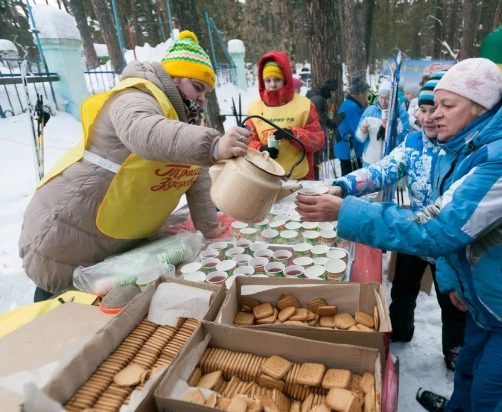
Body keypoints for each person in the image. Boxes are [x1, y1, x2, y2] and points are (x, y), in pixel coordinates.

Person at [295, 58, 502, 412]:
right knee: (468, 372)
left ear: (481, 108)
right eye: (429, 107)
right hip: (499, 302)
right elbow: (449, 223)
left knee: (496, 398)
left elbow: (439, 229)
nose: (436, 115)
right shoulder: (466, 149)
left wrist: (347, 212)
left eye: (448, 106)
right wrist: (453, 280)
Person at [19, 31, 251, 301]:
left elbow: (196, 181)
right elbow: (145, 133)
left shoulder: (182, 126)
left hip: (116, 236)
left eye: (207, 94)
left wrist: (209, 228)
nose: (201, 99)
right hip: (69, 230)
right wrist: (212, 146)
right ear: (172, 77)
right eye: (197, 87)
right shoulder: (135, 95)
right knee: (58, 309)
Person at [331, 71, 466, 369]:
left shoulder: (463, 151)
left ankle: (455, 350)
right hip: (413, 233)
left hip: (449, 242)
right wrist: (344, 186)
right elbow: (382, 171)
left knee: (452, 302)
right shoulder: (413, 143)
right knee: (403, 290)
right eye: (424, 109)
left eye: (437, 111)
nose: (430, 118)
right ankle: (401, 331)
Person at [246, 52, 324, 180]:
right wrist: (260, 150)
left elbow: (318, 140)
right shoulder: (254, 108)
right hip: (266, 176)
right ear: (262, 81)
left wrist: (294, 135)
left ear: (285, 79)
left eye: (277, 79)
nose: (272, 85)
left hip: (300, 176)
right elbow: (247, 141)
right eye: (268, 80)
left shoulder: (304, 105)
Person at [355, 83, 410, 166]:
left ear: (393, 98)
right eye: (381, 98)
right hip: (370, 160)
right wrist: (362, 131)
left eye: (387, 98)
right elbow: (360, 139)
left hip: (392, 161)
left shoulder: (400, 113)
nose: (383, 102)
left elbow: (404, 139)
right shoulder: (369, 111)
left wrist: (390, 128)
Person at [334, 77, 369, 176]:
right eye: (366, 93)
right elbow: (359, 128)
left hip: (348, 148)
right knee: (351, 180)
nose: (366, 97)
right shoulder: (352, 107)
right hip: (348, 149)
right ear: (361, 93)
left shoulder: (350, 104)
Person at [306, 78, 338, 178]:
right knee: (315, 160)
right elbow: (322, 119)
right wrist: (334, 124)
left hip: (308, 131)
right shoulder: (319, 100)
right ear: (328, 90)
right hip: (314, 133)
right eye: (332, 92)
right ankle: (315, 180)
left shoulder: (312, 95)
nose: (333, 95)